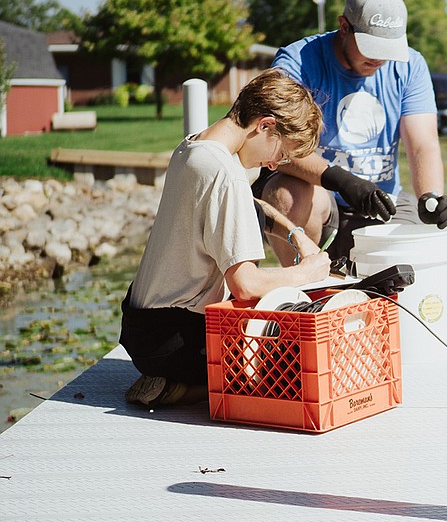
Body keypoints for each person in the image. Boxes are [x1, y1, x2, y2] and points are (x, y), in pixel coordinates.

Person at [120, 69, 331, 407]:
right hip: (178, 341)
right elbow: (245, 283)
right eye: (282, 151)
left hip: (141, 329)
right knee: (295, 363)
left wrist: (295, 234)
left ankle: (176, 379)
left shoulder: (194, 148)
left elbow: (249, 204)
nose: (275, 164)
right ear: (265, 126)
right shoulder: (225, 174)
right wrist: (308, 273)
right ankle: (188, 388)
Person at [254, 0, 447, 268]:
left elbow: (423, 144)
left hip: (383, 201)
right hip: (321, 200)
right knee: (285, 194)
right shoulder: (297, 62)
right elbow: (273, 145)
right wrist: (341, 180)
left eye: (388, 49)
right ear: (344, 27)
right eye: (371, 47)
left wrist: (431, 197)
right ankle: (304, 288)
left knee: (420, 255)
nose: (379, 59)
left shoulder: (411, 65)